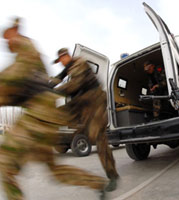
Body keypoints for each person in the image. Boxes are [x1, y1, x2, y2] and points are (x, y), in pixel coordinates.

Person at [0, 18, 108, 200]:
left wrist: (58, 89)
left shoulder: (26, 52)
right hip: (45, 116)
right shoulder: (32, 55)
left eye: (9, 36)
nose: (7, 41)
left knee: (5, 163)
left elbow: (11, 81)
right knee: (56, 171)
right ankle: (97, 183)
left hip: (39, 116)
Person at [52, 47, 119, 192]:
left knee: (98, 137)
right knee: (57, 113)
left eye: (62, 59)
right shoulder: (68, 68)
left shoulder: (79, 63)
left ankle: (112, 176)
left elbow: (74, 84)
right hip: (82, 103)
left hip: (95, 101)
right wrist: (45, 85)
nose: (61, 63)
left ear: (66, 56)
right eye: (59, 61)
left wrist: (55, 90)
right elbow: (58, 78)